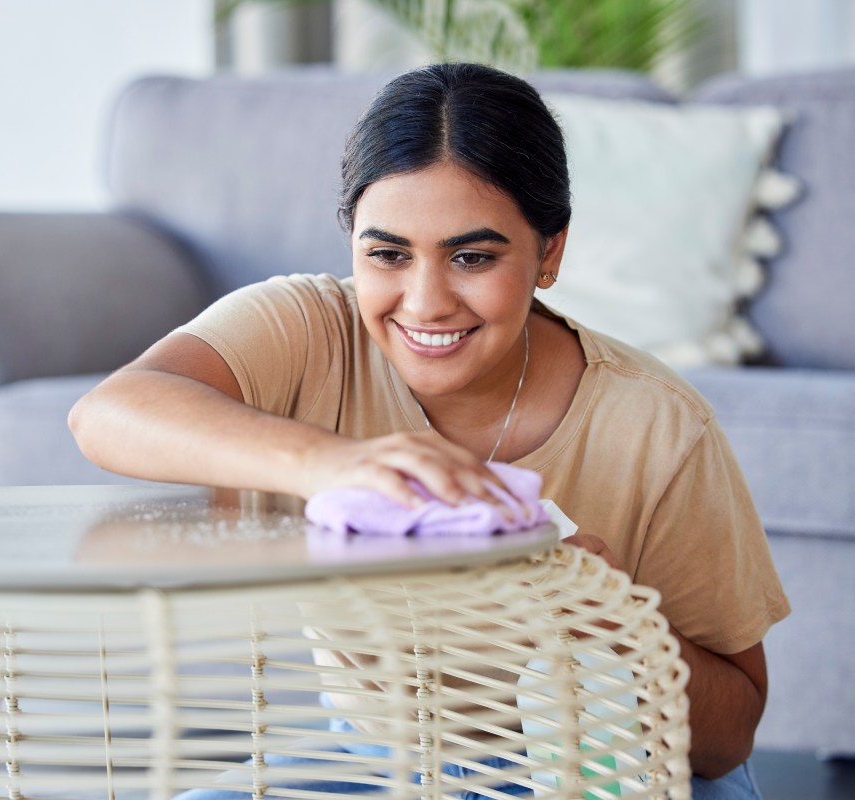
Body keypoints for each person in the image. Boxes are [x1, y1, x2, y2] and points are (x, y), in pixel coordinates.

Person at [69, 62, 789, 799]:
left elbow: (728, 741)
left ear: (550, 253)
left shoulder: (657, 424)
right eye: (387, 254)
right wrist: (335, 465)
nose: (425, 302)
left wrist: (614, 624)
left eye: (472, 257)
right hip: (377, 762)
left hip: (601, 762)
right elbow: (108, 413)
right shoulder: (308, 330)